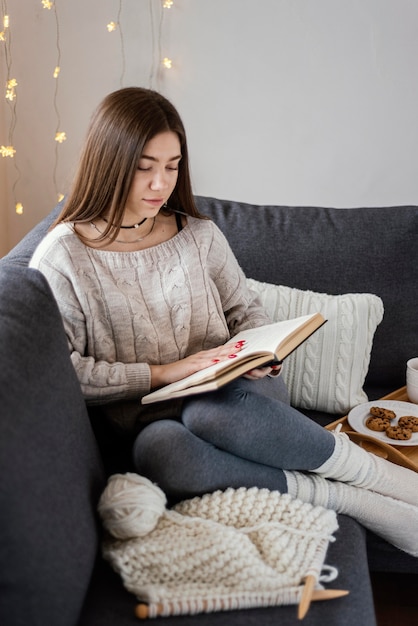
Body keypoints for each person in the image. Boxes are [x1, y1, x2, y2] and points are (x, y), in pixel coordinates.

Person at [30, 87, 418, 557]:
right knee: (160, 454)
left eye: (172, 167)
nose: (161, 184)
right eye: (145, 167)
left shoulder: (197, 234)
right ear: (110, 161)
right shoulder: (64, 256)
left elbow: (246, 310)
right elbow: (65, 371)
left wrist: (262, 351)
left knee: (207, 409)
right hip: (149, 416)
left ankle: (379, 479)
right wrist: (166, 373)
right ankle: (350, 497)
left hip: (237, 395)